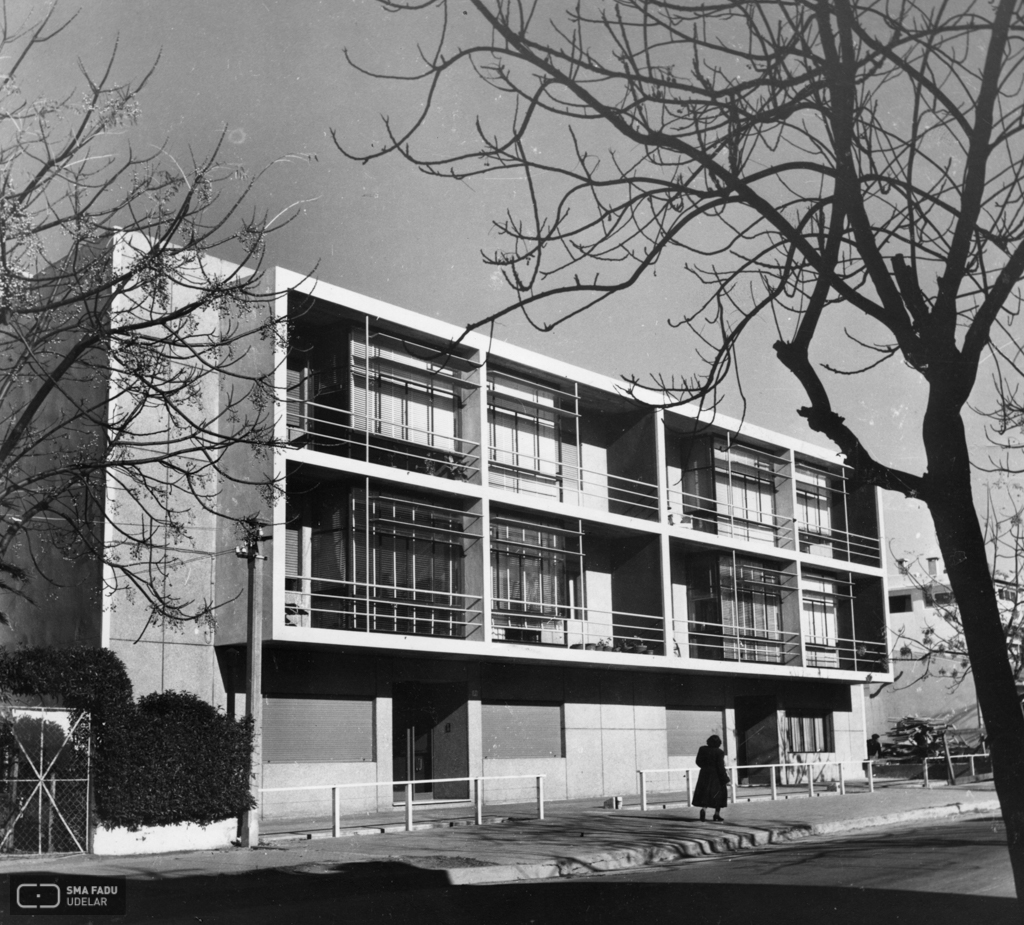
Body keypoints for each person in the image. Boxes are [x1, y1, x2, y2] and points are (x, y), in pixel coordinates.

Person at [693, 734, 729, 823]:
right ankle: (716, 814)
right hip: (716, 776)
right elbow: (720, 767)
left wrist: (705, 767)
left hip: (704, 775)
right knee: (719, 795)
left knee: (705, 794)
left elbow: (698, 761)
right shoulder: (719, 752)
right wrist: (725, 778)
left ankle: (704, 809)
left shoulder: (702, 749)